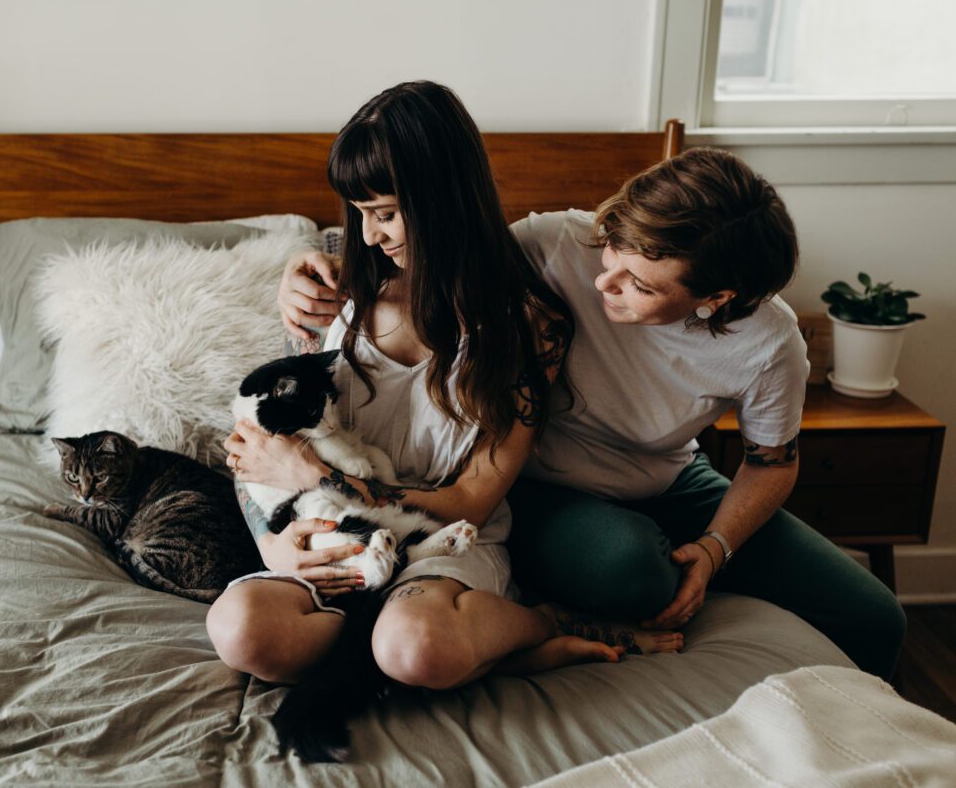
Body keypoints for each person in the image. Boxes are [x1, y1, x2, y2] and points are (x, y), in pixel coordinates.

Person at [278, 144, 906, 682]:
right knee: (633, 571)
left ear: (715, 299)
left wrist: (716, 548)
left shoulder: (771, 346)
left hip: (669, 479)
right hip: (538, 484)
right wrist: (315, 271)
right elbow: (427, 263)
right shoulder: (555, 242)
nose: (605, 282)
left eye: (639, 283)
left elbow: (769, 465)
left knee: (875, 618)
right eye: (612, 251)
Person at [206, 81, 683, 691]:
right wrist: (273, 544)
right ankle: (453, 651)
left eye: (385, 213)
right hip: (334, 535)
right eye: (358, 214)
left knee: (415, 648)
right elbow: (255, 455)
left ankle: (536, 623)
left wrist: (320, 478)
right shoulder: (334, 291)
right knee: (242, 632)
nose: (370, 234)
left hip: (445, 545)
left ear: (444, 199)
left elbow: (473, 501)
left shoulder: (529, 327)